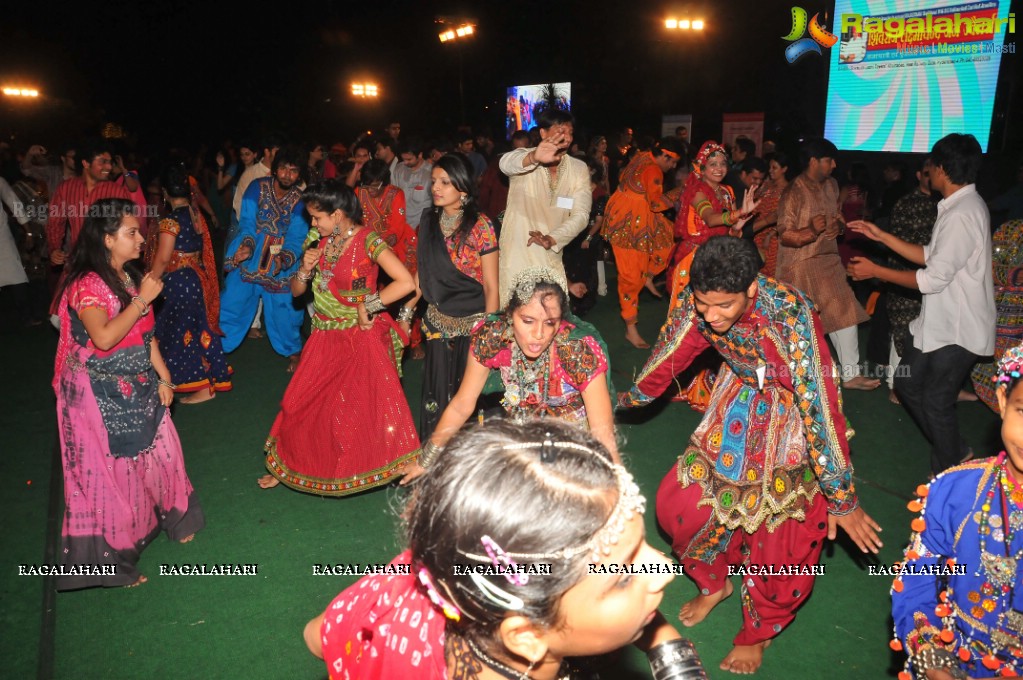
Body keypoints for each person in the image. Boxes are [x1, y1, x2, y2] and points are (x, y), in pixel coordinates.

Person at [620, 236, 883, 674]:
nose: (710, 315)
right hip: (737, 401)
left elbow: (818, 399)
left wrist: (842, 497)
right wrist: (629, 397)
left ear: (752, 290)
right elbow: (673, 350)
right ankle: (715, 583)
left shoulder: (791, 315)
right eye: (704, 304)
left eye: (723, 306)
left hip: (793, 413)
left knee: (781, 537)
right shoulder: (700, 297)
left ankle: (757, 632)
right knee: (679, 506)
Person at [306, 419, 708, 679]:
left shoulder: (458, 572)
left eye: (641, 549)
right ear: (526, 636)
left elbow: (319, 632)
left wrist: (660, 638)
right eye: (622, 576)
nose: (665, 569)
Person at [52, 198, 205, 589]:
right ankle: (111, 565)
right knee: (108, 476)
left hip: (136, 380)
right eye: (131, 233)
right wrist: (142, 301)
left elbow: (145, 334)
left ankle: (173, 517)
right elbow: (103, 338)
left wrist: (165, 377)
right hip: (94, 393)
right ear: (107, 239)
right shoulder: (86, 284)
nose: (142, 239)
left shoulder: (128, 275)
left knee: (162, 451)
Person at [847, 133, 996, 475]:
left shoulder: (962, 213)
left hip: (959, 327)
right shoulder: (958, 206)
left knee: (935, 400)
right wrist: (881, 236)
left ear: (941, 169)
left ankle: (948, 468)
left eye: (930, 165)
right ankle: (955, 450)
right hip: (941, 322)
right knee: (908, 383)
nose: (927, 172)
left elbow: (931, 279)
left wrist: (876, 270)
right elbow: (931, 256)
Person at [259, 180, 419, 494]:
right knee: (301, 402)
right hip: (323, 334)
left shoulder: (368, 241)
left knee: (363, 409)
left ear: (339, 213)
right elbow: (297, 292)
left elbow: (405, 282)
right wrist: (304, 270)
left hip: (357, 336)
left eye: (317, 217)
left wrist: (369, 305)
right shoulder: (319, 240)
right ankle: (290, 464)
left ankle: (393, 469)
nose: (313, 223)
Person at [403, 266, 617, 485]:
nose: (539, 334)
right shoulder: (493, 338)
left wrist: (618, 494)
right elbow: (462, 404)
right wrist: (426, 460)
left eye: (550, 322)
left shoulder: (577, 351)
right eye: (528, 321)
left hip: (573, 447)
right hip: (524, 441)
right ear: (509, 315)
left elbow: (604, 437)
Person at [890, 342, 1023, 679]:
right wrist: (934, 660)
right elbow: (917, 576)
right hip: (956, 660)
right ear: (1004, 401)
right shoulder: (955, 490)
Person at [406, 153, 499, 441]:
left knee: (468, 398)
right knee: (436, 394)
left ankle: (469, 465)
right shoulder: (428, 222)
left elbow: (492, 287)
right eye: (434, 181)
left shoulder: (480, 225)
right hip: (437, 322)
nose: (436, 187)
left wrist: (489, 331)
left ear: (463, 187)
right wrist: (405, 314)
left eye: (444, 182)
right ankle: (434, 460)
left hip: (474, 325)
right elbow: (420, 278)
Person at [775, 137, 880, 391]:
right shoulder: (793, 192)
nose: (834, 165)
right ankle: (787, 373)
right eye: (828, 160)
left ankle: (850, 374)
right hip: (799, 264)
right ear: (813, 161)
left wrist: (838, 226)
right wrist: (810, 230)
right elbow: (785, 234)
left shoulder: (832, 185)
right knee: (801, 322)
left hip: (828, 260)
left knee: (843, 311)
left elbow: (838, 217)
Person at [147, 165, 232, 403]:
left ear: (165, 193)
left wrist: (149, 282)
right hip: (196, 278)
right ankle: (210, 378)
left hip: (178, 282)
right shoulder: (195, 215)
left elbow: (163, 258)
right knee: (199, 328)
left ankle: (202, 384)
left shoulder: (171, 221)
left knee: (178, 331)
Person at [220, 146, 309, 371]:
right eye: (283, 169)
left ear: (299, 174)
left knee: (285, 312)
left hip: (281, 264)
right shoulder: (256, 188)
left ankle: (294, 351)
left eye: (294, 170)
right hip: (250, 257)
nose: (288, 175)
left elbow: (297, 235)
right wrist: (247, 247)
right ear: (274, 170)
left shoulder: (301, 201)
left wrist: (284, 260)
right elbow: (247, 222)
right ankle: (217, 349)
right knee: (232, 301)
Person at [498, 109, 591, 305]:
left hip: (552, 252)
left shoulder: (578, 169)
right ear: (543, 133)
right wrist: (534, 157)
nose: (566, 137)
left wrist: (553, 238)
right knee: (515, 316)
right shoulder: (524, 158)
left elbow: (581, 214)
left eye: (570, 132)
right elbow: (505, 164)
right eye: (560, 131)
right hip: (518, 252)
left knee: (552, 317)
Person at [602, 137, 684, 348]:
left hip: (637, 215)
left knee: (668, 241)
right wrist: (679, 192)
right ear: (665, 155)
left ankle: (648, 275)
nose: (673, 166)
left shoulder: (641, 156)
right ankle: (631, 328)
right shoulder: (653, 170)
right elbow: (656, 204)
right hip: (627, 224)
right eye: (672, 161)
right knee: (630, 278)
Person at [356, 159, 417, 271]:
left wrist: (378, 248)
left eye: (374, 186)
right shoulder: (358, 193)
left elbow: (397, 228)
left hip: (394, 244)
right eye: (366, 185)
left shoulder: (396, 194)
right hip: (366, 244)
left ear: (384, 183)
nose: (370, 190)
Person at [750, 151, 791, 277]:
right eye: (770, 167)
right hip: (756, 232)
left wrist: (771, 234)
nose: (770, 170)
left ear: (784, 169)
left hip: (772, 239)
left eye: (775, 168)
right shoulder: (766, 185)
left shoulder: (788, 190)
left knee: (769, 275)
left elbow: (787, 217)